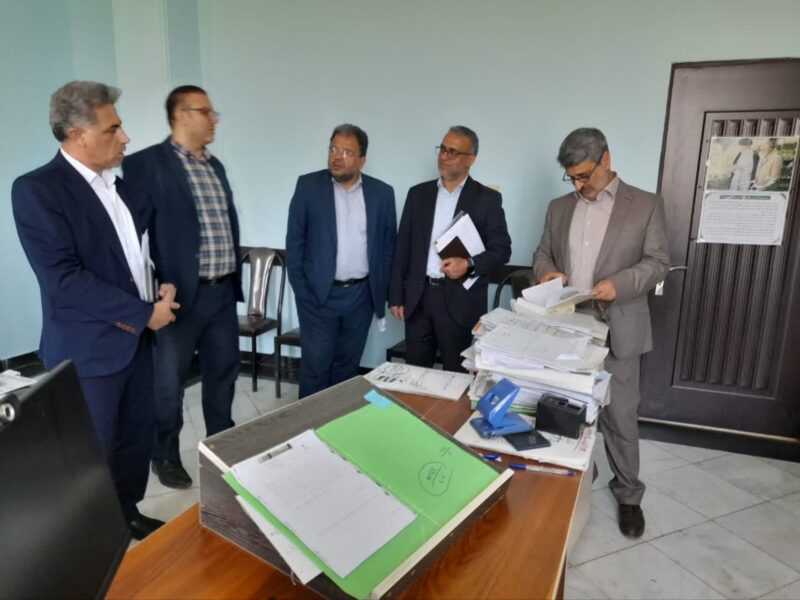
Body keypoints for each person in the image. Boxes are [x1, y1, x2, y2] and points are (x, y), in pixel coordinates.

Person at [11, 81, 180, 539]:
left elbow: (135, 253)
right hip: (88, 350)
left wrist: (160, 282)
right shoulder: (38, 190)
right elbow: (63, 280)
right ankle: (89, 539)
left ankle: (125, 513)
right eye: (113, 128)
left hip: (135, 343)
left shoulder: (119, 186)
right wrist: (144, 314)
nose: (125, 137)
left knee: (133, 439)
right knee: (92, 454)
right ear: (78, 134)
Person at [533, 127, 669, 538]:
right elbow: (542, 254)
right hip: (568, 324)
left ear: (606, 160)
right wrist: (547, 272)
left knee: (620, 415)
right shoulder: (559, 207)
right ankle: (573, 478)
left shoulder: (645, 204)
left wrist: (620, 284)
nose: (579, 185)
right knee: (564, 409)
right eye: (572, 177)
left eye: (584, 175)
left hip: (619, 326)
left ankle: (628, 495)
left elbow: (658, 262)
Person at [123, 86, 242, 489]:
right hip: (178, 298)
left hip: (222, 292)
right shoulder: (145, 164)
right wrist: (155, 285)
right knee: (168, 384)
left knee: (223, 374)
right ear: (180, 115)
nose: (213, 119)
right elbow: (132, 236)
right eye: (205, 111)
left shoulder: (215, 166)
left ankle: (222, 447)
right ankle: (165, 455)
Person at [286, 124, 396, 398]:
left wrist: (379, 294)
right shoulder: (308, 187)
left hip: (361, 297)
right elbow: (295, 242)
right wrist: (303, 293)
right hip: (318, 296)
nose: (337, 156)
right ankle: (310, 423)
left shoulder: (382, 194)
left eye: (347, 152)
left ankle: (339, 421)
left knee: (347, 369)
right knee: (316, 368)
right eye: (334, 148)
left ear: (362, 160)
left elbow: (387, 248)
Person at [389, 126, 511, 372]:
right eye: (442, 149)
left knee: (457, 375)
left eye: (453, 152)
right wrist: (396, 296)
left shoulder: (486, 199)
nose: (444, 156)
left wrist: (469, 264)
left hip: (460, 301)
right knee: (415, 374)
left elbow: (502, 250)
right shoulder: (418, 194)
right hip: (418, 297)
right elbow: (402, 248)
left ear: (471, 159)